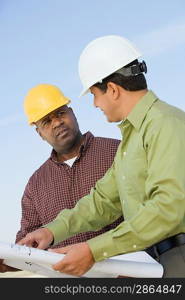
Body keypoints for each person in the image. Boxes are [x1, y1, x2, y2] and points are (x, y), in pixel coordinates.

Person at [18, 36, 185, 278]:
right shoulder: (132, 140)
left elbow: (168, 208)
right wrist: (51, 232)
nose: (96, 104)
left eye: (95, 95)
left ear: (114, 90)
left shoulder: (165, 124)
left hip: (178, 258)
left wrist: (93, 250)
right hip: (155, 264)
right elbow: (102, 202)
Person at [0, 83, 122, 273]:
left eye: (60, 113)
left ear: (72, 112)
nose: (57, 122)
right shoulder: (35, 185)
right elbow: (27, 246)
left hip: (128, 278)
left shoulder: (117, 152)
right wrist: (6, 262)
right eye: (46, 122)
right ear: (39, 133)